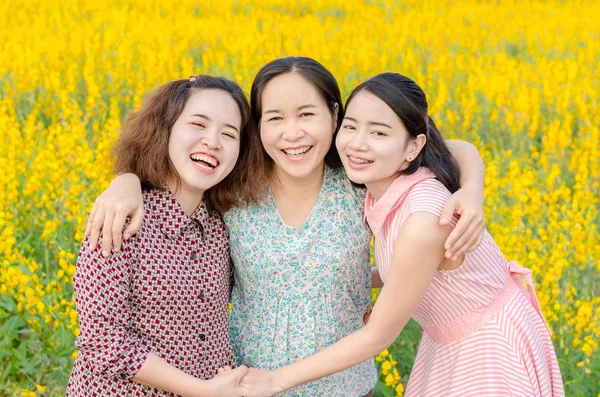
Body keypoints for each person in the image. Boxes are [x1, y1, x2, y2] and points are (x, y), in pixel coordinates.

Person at [85, 57, 487, 396]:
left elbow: (453, 149)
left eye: (307, 115)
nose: (292, 134)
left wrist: (471, 189)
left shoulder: (358, 181)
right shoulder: (234, 189)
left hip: (344, 388)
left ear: (334, 117)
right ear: (258, 129)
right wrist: (128, 180)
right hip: (246, 384)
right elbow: (180, 176)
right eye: (274, 118)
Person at [236, 72, 564, 397]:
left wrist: (275, 381)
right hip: (452, 340)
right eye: (351, 127)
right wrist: (473, 187)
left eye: (379, 132)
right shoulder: (387, 180)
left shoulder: (423, 220)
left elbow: (378, 336)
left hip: (488, 350)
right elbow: (459, 148)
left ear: (413, 147)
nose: (358, 143)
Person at [66, 74, 251, 397]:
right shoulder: (121, 218)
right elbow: (101, 340)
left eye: (229, 134)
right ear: (165, 130)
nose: (213, 141)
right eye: (198, 124)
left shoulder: (225, 226)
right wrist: (199, 389)